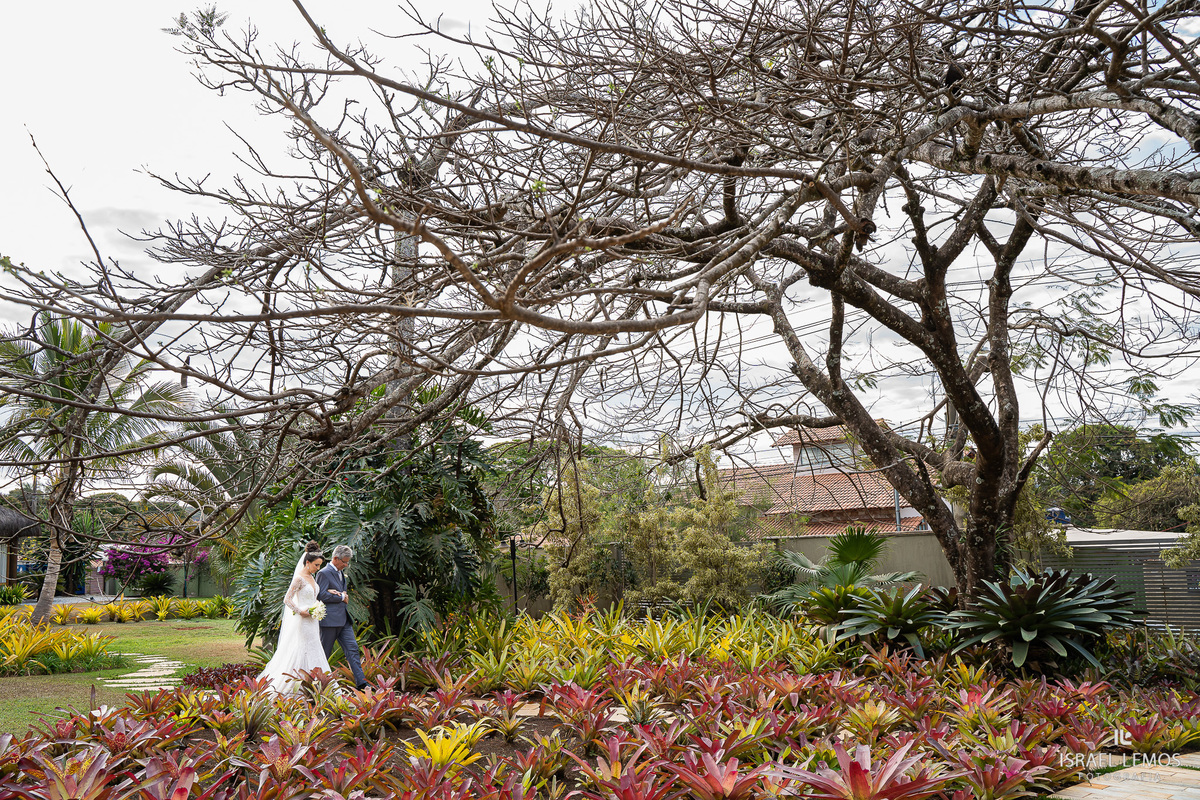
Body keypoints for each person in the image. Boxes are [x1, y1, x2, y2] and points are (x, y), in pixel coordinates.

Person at [257, 541, 332, 693]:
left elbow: (313, 596)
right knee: (303, 648)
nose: (318, 568)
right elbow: (287, 599)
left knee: (314, 647)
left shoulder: (312, 577)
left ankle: (316, 684)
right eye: (316, 565)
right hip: (303, 620)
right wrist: (300, 611)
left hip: (313, 620)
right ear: (307, 562)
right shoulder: (299, 579)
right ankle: (296, 686)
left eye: (319, 565)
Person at [316, 544, 368, 690]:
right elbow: (320, 595)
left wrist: (342, 596)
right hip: (329, 622)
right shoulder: (323, 573)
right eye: (344, 562)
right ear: (335, 558)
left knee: (353, 650)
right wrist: (340, 597)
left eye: (347, 562)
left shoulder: (340, 573)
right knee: (324, 654)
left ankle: (362, 683)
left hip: (344, 620)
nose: (346, 565)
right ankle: (317, 685)